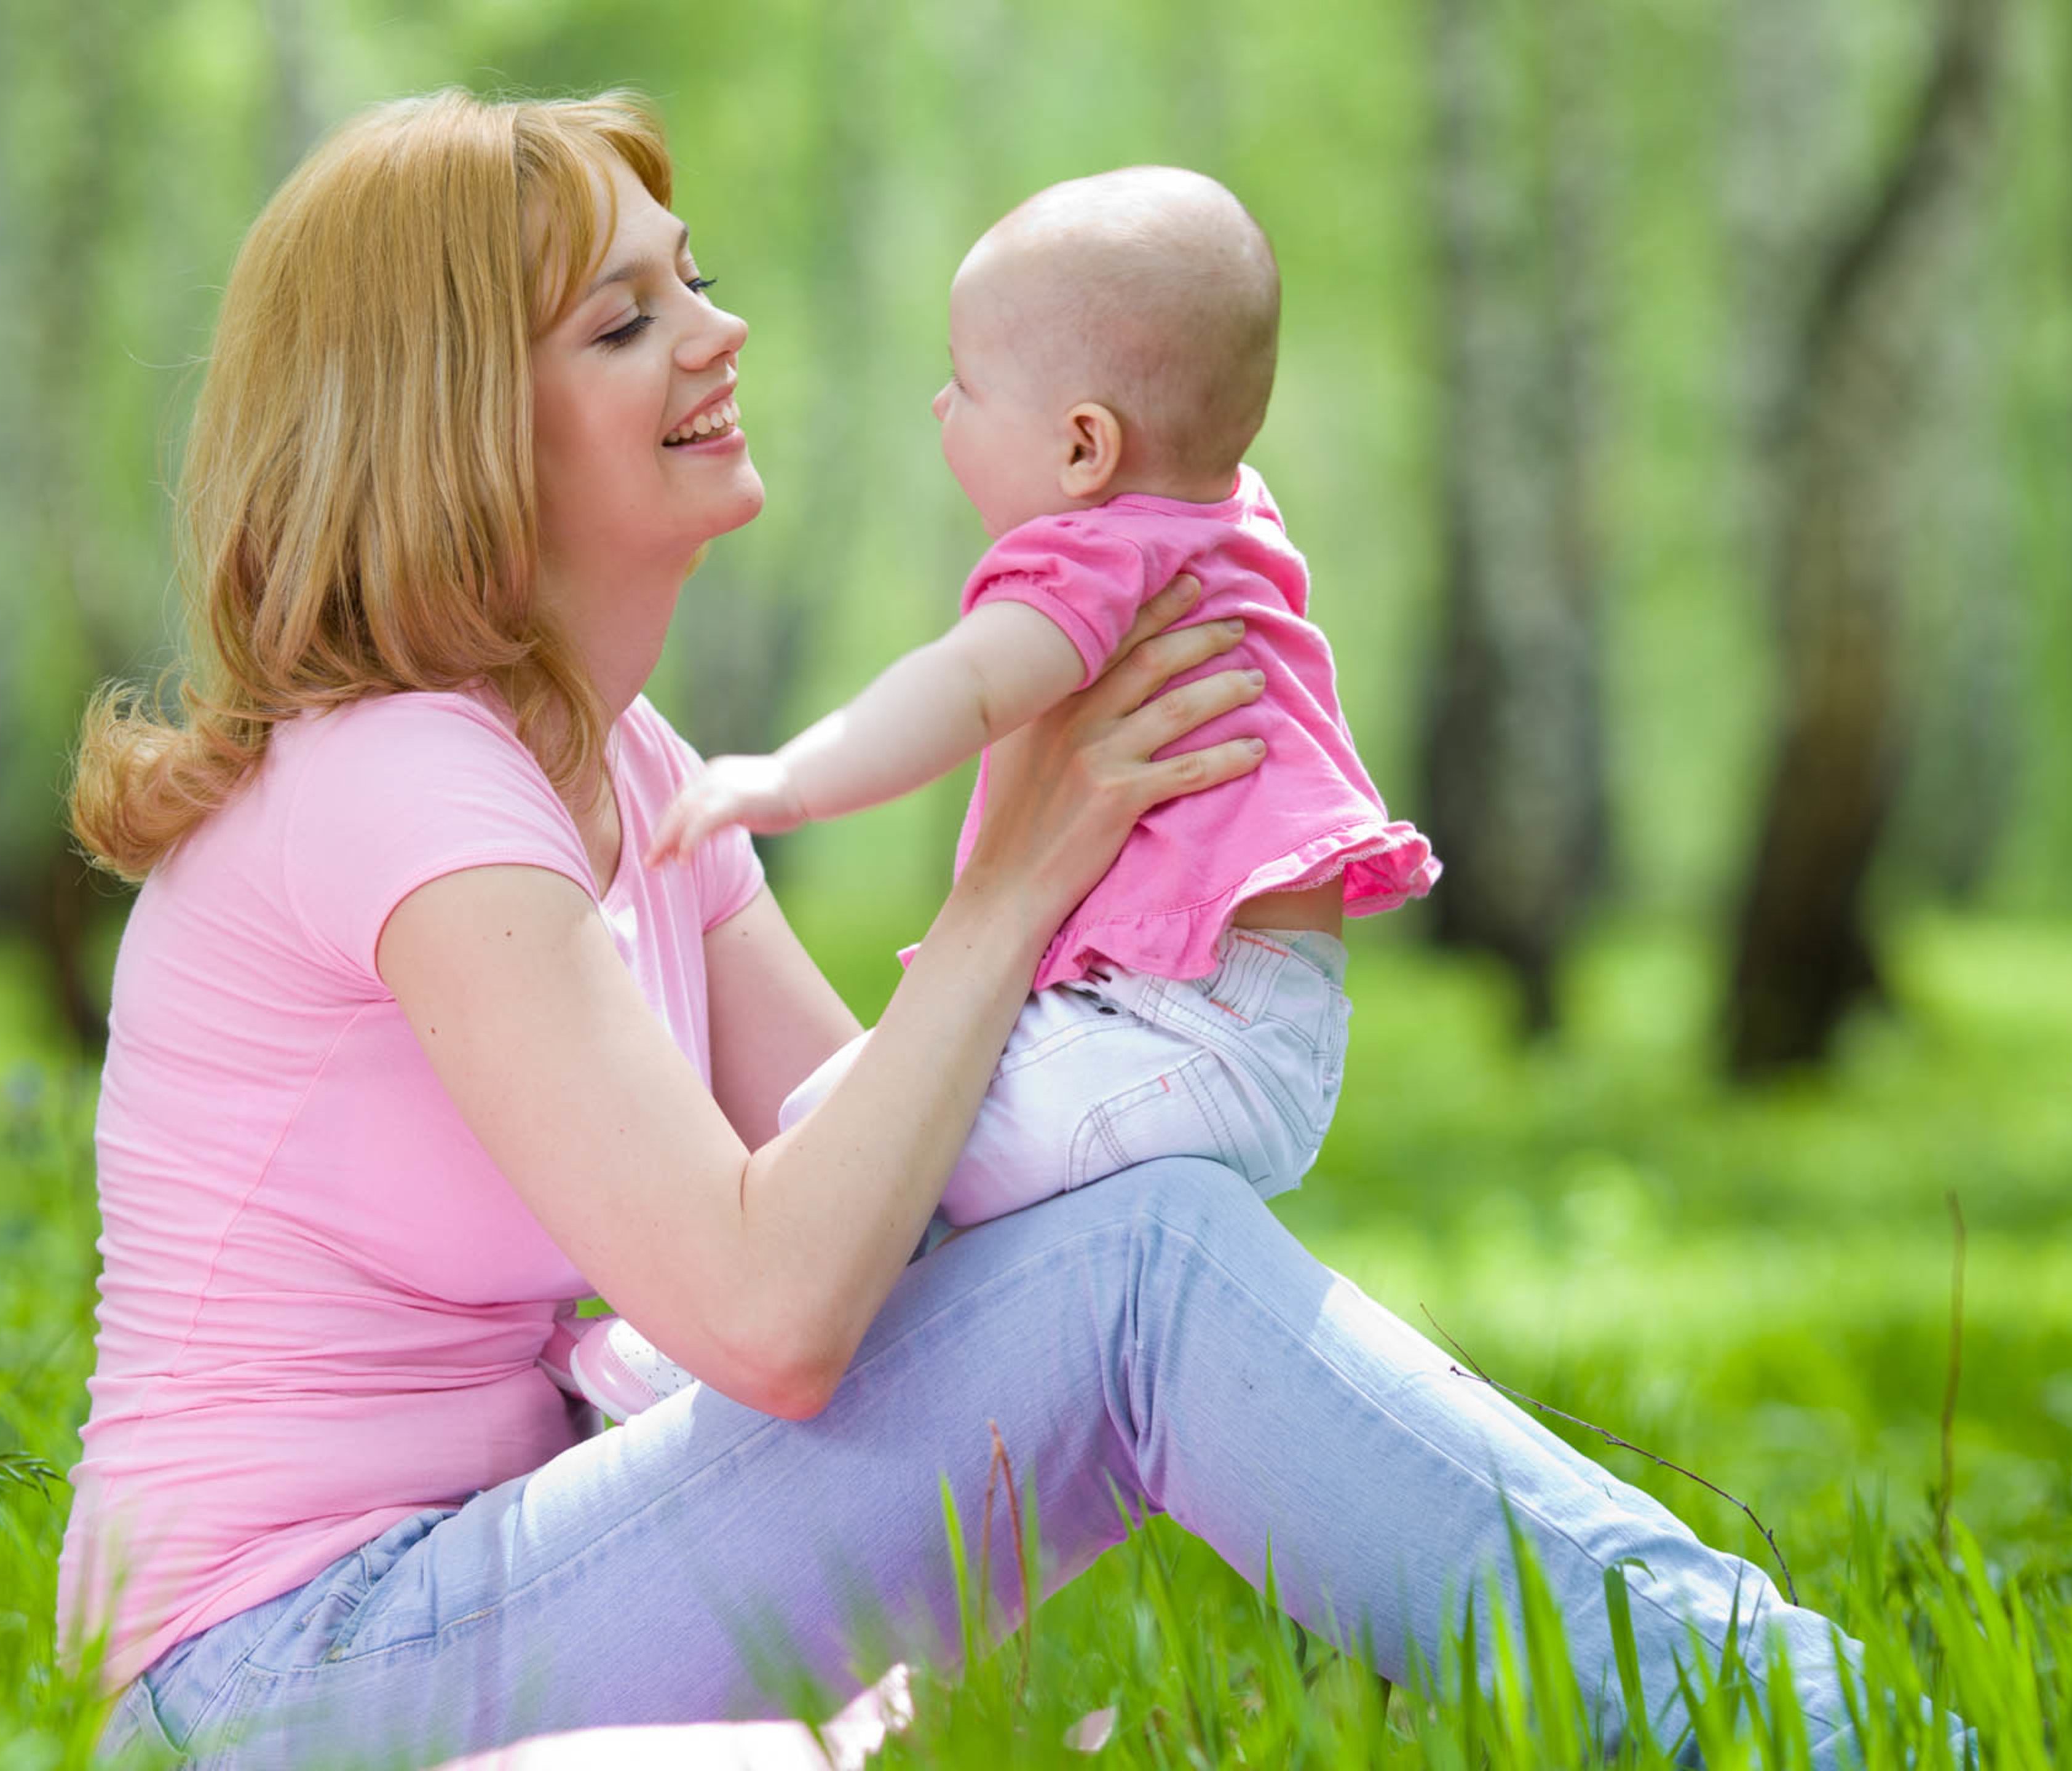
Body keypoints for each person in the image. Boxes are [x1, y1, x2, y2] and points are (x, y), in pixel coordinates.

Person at [60, 88, 1882, 1769]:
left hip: (462, 1592)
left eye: (690, 279)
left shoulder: (620, 765)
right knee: (1143, 1275)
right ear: (456, 424)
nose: (720, 332)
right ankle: (1815, 1730)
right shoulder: (404, 781)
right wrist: (1017, 875)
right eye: (623, 323)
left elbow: (876, 1168)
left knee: (1127, 1241)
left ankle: (1757, 1702)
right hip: (275, 1676)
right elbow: (773, 1311)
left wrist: (1186, 923)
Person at [559, 167, 1433, 1420]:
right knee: (865, 1126)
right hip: (1238, 1022)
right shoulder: (1225, 517)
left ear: (1084, 445)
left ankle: (669, 1363)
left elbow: (960, 691)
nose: (939, 404)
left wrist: (787, 779)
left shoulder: (1096, 558)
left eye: (965, 385)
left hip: (1184, 1029)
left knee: (864, 1148)